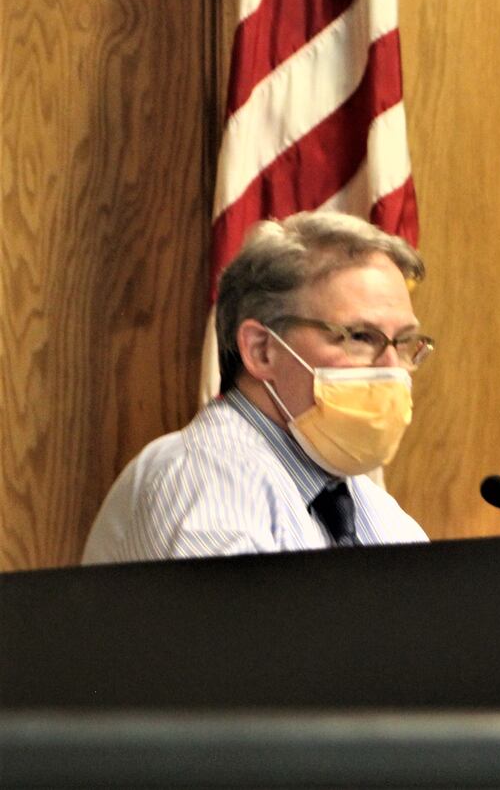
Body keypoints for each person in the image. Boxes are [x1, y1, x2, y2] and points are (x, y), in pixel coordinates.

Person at [82, 212, 431, 563]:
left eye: (403, 342)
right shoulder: (208, 479)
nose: (393, 367)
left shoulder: (372, 508)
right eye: (360, 337)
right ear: (261, 350)